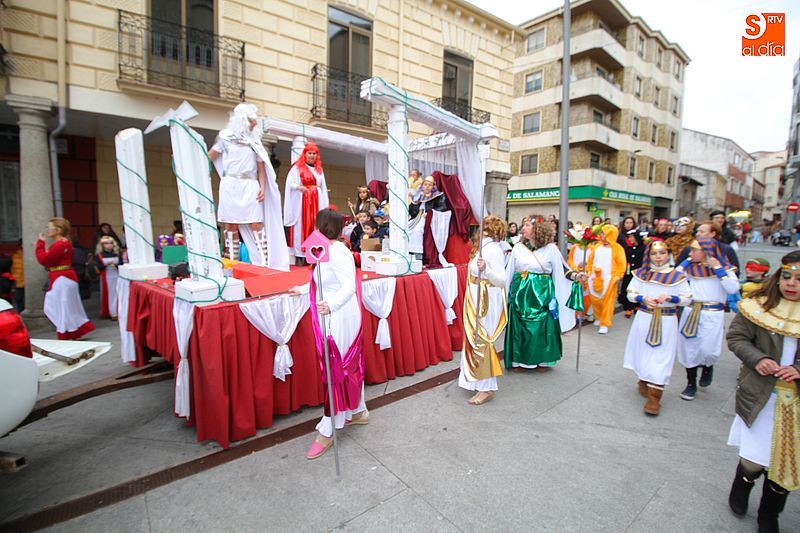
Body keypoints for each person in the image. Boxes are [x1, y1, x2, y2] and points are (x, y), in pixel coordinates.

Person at [726, 250, 799, 532]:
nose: (791, 283)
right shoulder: (757, 306)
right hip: (762, 397)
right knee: (754, 458)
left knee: (788, 464)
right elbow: (736, 337)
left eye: (799, 279)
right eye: (787, 276)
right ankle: (743, 483)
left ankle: (770, 513)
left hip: (795, 404)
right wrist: (759, 359)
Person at [291, 209, 367, 460]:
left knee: (338, 369)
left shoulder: (337, 252)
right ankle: (358, 411)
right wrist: (303, 289)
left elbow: (349, 286)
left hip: (341, 315)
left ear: (322, 227)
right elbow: (322, 282)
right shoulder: (324, 251)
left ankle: (327, 429)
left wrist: (332, 304)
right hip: (333, 313)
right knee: (343, 367)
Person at [210, 103, 286, 268]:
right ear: (243, 120)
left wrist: (263, 187)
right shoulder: (224, 137)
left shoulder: (254, 141)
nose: (255, 123)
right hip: (230, 184)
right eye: (252, 119)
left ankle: (264, 263)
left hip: (250, 185)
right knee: (230, 225)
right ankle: (231, 264)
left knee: (256, 223)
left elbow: (261, 168)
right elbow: (210, 156)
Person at [623, 240, 692, 415]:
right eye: (654, 254)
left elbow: (687, 298)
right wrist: (642, 299)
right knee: (642, 352)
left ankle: (655, 397)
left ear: (668, 254)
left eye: (662, 253)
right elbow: (630, 293)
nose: (658, 257)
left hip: (666, 320)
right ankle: (644, 379)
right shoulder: (641, 273)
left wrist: (671, 298)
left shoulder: (677, 276)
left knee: (662, 356)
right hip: (644, 318)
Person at [505, 219, 583, 370]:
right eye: (524, 225)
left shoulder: (551, 249)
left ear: (537, 229)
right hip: (520, 294)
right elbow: (509, 271)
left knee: (542, 327)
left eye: (527, 225)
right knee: (520, 326)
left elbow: (563, 269)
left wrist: (576, 276)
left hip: (542, 294)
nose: (523, 228)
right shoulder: (518, 247)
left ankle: (541, 359)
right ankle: (519, 360)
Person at [675, 238, 740, 400]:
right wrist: (685, 262)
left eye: (694, 250)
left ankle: (707, 365)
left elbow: (732, 288)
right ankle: (691, 383)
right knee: (689, 348)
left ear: (706, 252)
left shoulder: (724, 268)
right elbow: (675, 278)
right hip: (691, 311)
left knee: (708, 349)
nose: (690, 253)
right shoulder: (690, 267)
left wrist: (717, 268)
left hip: (712, 313)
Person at [459, 216, 508, 405]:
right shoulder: (483, 248)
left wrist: (486, 269)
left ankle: (487, 387)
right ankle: (475, 380)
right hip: (475, 296)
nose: (479, 231)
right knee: (474, 339)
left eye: (484, 227)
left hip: (486, 300)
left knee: (482, 340)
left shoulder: (493, 250)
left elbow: (501, 280)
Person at [36, 218, 95, 340]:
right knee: (65, 306)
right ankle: (71, 331)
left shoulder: (60, 244)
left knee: (58, 306)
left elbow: (44, 259)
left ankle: (66, 332)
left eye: (49, 227)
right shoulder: (63, 243)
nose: (47, 230)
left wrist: (40, 244)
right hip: (63, 277)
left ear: (58, 230)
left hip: (61, 278)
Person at [284, 142, 329, 263]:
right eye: (310, 153)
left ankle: (314, 255)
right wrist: (298, 187)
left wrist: (325, 206)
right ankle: (300, 255)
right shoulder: (297, 168)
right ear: (305, 154)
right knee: (300, 226)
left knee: (316, 225)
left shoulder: (319, 170)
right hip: (302, 201)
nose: (312, 156)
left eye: (314, 153)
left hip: (317, 200)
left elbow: (323, 188)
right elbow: (290, 183)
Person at [586, 224, 626, 334]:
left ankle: (605, 323)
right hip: (594, 277)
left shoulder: (617, 249)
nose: (601, 235)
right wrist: (589, 272)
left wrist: (618, 276)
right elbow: (590, 260)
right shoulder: (597, 246)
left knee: (607, 303)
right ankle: (598, 317)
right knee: (595, 300)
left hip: (609, 279)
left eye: (603, 233)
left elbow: (621, 264)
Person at [675, 221, 740, 275]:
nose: (697, 234)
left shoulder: (726, 249)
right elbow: (678, 269)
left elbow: (735, 271)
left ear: (712, 234)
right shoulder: (688, 249)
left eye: (701, 232)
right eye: (697, 231)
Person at [567, 223, 596, 322]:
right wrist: (575, 267)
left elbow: (593, 262)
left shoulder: (592, 249)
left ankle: (587, 312)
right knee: (577, 294)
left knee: (587, 295)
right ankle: (577, 313)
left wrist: (587, 266)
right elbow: (570, 260)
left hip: (587, 275)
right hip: (576, 274)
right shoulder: (574, 247)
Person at [618, 216, 645, 318]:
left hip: (638, 272)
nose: (630, 239)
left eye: (632, 237)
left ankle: (636, 306)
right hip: (628, 272)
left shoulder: (643, 248)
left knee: (638, 289)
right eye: (629, 237)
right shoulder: (627, 248)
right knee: (627, 288)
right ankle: (628, 307)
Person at [94, 236, 122, 320]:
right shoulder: (99, 255)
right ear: (102, 245)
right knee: (108, 294)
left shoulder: (117, 254)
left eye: (110, 243)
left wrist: (115, 265)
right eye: (106, 243)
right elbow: (97, 267)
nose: (109, 245)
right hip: (106, 277)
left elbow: (121, 265)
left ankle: (118, 311)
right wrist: (105, 265)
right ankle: (111, 312)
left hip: (117, 275)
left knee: (117, 293)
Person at [10, 239, 24, 312]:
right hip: (18, 282)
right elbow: (13, 269)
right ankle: (21, 313)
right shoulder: (15, 256)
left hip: (28, 282)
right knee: (18, 299)